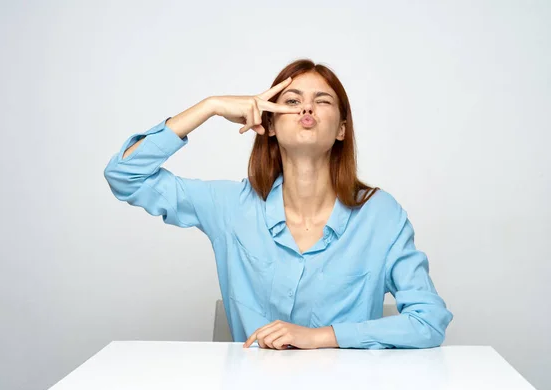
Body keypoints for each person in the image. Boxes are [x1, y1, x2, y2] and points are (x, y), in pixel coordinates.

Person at [104, 59, 453, 350]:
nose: (306, 108)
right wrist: (210, 106)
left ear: (341, 130)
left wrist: (322, 337)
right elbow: (124, 175)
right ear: (268, 124)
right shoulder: (230, 206)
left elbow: (428, 320)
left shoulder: (380, 214)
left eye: (323, 101)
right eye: (291, 101)